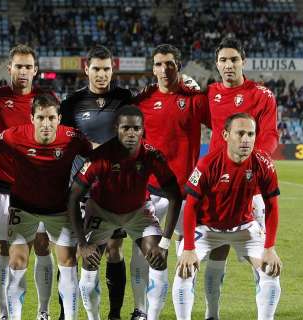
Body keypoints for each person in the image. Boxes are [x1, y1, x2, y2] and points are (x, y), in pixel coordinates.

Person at [0, 94, 92, 320]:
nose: (46, 124)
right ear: (32, 118)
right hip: (23, 209)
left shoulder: (73, 137)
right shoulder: (15, 135)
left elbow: (95, 155)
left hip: (59, 210)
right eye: (40, 118)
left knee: (68, 263)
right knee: (17, 262)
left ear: (59, 118)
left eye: (51, 118)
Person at [68, 106, 182, 320]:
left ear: (142, 130)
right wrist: (82, 243)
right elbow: (73, 197)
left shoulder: (151, 155)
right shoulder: (99, 157)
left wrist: (165, 244)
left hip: (139, 211)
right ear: (116, 129)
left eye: (136, 129)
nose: (131, 133)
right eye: (125, 128)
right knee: (90, 261)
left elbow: (175, 195)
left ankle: (151, 316)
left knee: (158, 257)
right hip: (102, 211)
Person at [172, 113, 282, 320]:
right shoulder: (208, 164)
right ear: (225, 135)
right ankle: (205, 316)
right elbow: (191, 207)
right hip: (206, 229)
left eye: (251, 134)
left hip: (244, 228)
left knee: (270, 270)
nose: (246, 139)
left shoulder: (263, 163)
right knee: (184, 271)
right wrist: (188, 249)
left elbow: (272, 206)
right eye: (240, 133)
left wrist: (269, 247)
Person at [59, 45, 136, 320]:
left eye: (106, 69)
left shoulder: (125, 98)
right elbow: (66, 142)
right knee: (70, 253)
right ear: (86, 69)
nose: (101, 74)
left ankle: (114, 314)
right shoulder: (71, 103)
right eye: (96, 69)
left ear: (113, 70)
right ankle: (64, 313)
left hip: (115, 191)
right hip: (81, 189)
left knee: (114, 249)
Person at [204, 38, 279, 320]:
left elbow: (270, 135)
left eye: (234, 59)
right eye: (223, 60)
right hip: (216, 190)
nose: (228, 65)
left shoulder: (262, 94)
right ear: (216, 64)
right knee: (217, 253)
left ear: (243, 62)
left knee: (260, 259)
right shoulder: (209, 93)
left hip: (252, 189)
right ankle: (212, 314)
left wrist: (249, 164)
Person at [135, 44, 210, 318]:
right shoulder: (143, 100)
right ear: (152, 68)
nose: (164, 69)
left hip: (187, 194)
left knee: (186, 263)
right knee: (155, 259)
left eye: (169, 63)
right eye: (158, 64)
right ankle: (149, 314)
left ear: (179, 66)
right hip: (152, 193)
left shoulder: (194, 99)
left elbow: (224, 126)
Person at [0, 44, 56, 320]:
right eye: (19, 66)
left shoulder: (46, 100)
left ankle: (43, 311)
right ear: (9, 68)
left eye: (28, 66)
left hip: (38, 188)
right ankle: (5, 313)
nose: (23, 71)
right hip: (2, 187)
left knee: (41, 245)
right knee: (5, 247)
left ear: (35, 70)